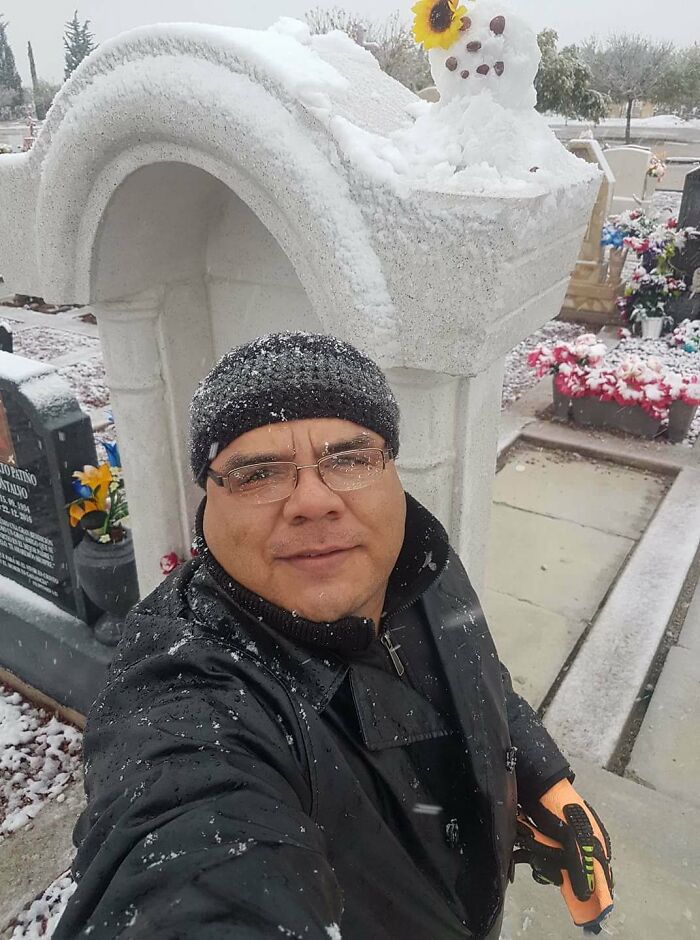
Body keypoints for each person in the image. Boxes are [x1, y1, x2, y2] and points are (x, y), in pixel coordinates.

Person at [56, 332, 613, 939]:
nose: (314, 502)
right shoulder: (186, 693)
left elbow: (478, 675)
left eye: (348, 459)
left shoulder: (416, 561)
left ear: (391, 470)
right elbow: (186, 849)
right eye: (257, 473)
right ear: (207, 501)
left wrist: (543, 780)